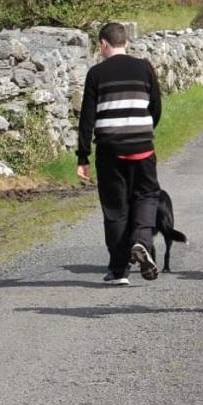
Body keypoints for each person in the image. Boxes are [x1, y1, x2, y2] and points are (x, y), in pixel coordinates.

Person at [77, 22, 163, 285]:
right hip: (142, 147)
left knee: (115, 207)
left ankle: (118, 270)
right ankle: (142, 241)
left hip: (109, 149)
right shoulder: (144, 68)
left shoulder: (96, 73)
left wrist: (83, 156)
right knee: (146, 195)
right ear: (125, 42)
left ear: (103, 43)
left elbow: (87, 118)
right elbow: (156, 107)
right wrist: (144, 132)